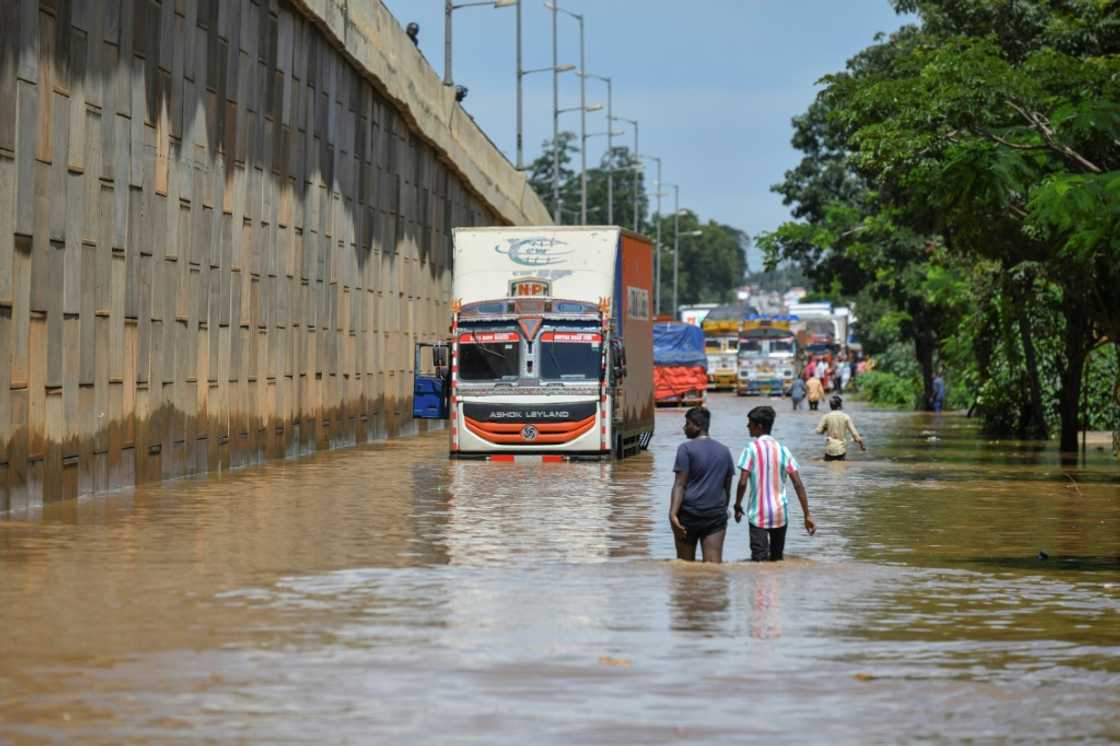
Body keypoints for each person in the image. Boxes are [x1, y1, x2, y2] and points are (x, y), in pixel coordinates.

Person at [734, 406, 816, 561]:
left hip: (758, 515)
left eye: (749, 423)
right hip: (780, 515)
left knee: (759, 561)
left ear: (759, 426)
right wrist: (807, 515)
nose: (747, 426)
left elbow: (743, 482)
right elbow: (798, 484)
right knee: (777, 559)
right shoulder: (783, 450)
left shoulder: (750, 449)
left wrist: (737, 505)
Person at [669, 407, 736, 563]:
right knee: (713, 567)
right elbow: (727, 488)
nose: (684, 428)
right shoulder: (724, 451)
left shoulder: (685, 449)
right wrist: (722, 510)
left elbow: (680, 484)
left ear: (698, 426)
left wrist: (672, 514)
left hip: (689, 514)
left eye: (687, 424)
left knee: (685, 566)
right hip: (715, 515)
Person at [816, 395, 866, 461]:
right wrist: (861, 445)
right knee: (841, 466)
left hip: (829, 449)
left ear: (830, 406)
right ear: (840, 405)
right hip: (841, 449)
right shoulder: (846, 417)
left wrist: (825, 428)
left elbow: (818, 431)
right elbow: (854, 433)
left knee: (828, 466)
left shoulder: (826, 416)